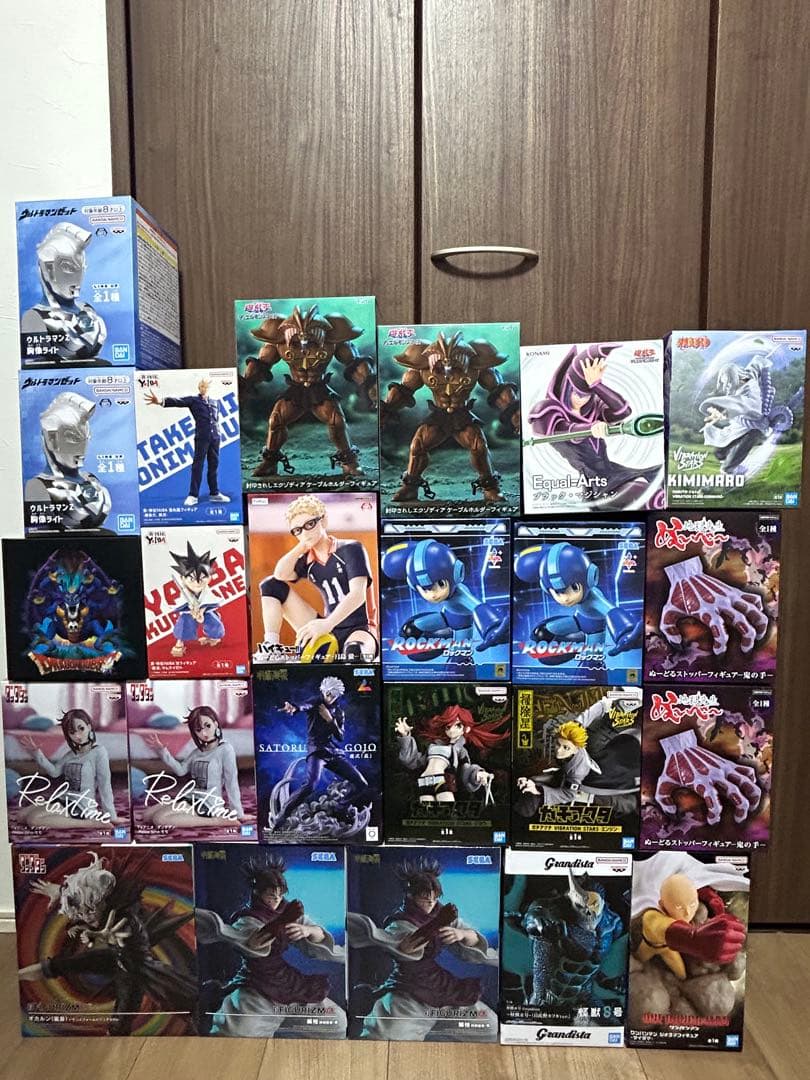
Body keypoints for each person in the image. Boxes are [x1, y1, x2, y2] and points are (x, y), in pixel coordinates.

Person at [195, 854, 347, 1037]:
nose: (276, 900)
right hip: (257, 986)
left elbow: (318, 934)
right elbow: (254, 944)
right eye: (271, 896)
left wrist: (307, 930)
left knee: (337, 1022)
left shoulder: (287, 911)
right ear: (257, 893)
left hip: (287, 982)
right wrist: (282, 921)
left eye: (280, 895)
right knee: (238, 1031)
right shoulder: (248, 919)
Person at [348, 857, 498, 1040]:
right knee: (387, 1034)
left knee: (488, 1025)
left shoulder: (440, 913)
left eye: (434, 898)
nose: (431, 903)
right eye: (425, 898)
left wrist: (461, 934)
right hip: (409, 989)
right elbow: (406, 947)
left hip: (439, 984)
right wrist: (437, 923)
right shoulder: (400, 922)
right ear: (411, 895)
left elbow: (472, 937)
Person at [254, 494, 378, 662]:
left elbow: (358, 595)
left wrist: (328, 623)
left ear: (323, 520)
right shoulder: (309, 560)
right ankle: (271, 646)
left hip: (359, 628)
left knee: (354, 653)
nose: (305, 532)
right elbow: (280, 574)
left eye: (310, 524)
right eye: (298, 530)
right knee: (271, 585)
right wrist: (302, 545)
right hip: (328, 629)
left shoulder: (350, 548)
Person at [269, 675, 370, 831]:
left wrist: (330, 720)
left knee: (361, 783)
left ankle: (340, 808)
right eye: (328, 693)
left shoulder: (338, 712)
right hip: (317, 751)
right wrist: (294, 707)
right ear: (323, 691)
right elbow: (304, 705)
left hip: (333, 752)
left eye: (334, 694)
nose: (330, 697)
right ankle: (282, 816)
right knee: (310, 786)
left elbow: (340, 736)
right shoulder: (316, 702)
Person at [13, 709, 122, 829]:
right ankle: (62, 816)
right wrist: (37, 753)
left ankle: (90, 823)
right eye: (72, 732)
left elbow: (105, 785)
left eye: (81, 729)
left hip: (82, 806)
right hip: (64, 799)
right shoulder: (71, 754)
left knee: (33, 820)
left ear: (89, 727)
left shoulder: (99, 752)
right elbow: (54, 772)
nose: (77, 735)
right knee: (21, 816)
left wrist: (111, 816)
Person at [143, 706, 248, 826]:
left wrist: (238, 813)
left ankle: (216, 821)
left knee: (160, 819)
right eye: (198, 730)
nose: (204, 733)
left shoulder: (225, 749)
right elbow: (181, 771)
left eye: (207, 726)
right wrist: (162, 751)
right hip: (190, 797)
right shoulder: (197, 752)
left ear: (215, 724)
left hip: (208, 803)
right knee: (147, 815)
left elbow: (232, 783)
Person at [394, 704, 508, 805]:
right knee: (428, 815)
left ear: (466, 729)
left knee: (446, 813)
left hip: (441, 780)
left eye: (457, 725)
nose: (451, 729)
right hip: (424, 780)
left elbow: (465, 768)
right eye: (448, 726)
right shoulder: (433, 746)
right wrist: (405, 736)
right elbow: (414, 761)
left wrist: (478, 773)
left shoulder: (460, 750)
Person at [144, 377, 230, 506]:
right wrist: (161, 401)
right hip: (202, 437)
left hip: (215, 437)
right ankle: (193, 495)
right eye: (202, 386)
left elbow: (215, 419)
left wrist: (217, 433)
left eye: (206, 386)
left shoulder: (215, 402)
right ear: (199, 387)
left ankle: (214, 493)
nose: (204, 388)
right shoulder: (193, 400)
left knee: (214, 465)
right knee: (198, 466)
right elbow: (178, 401)